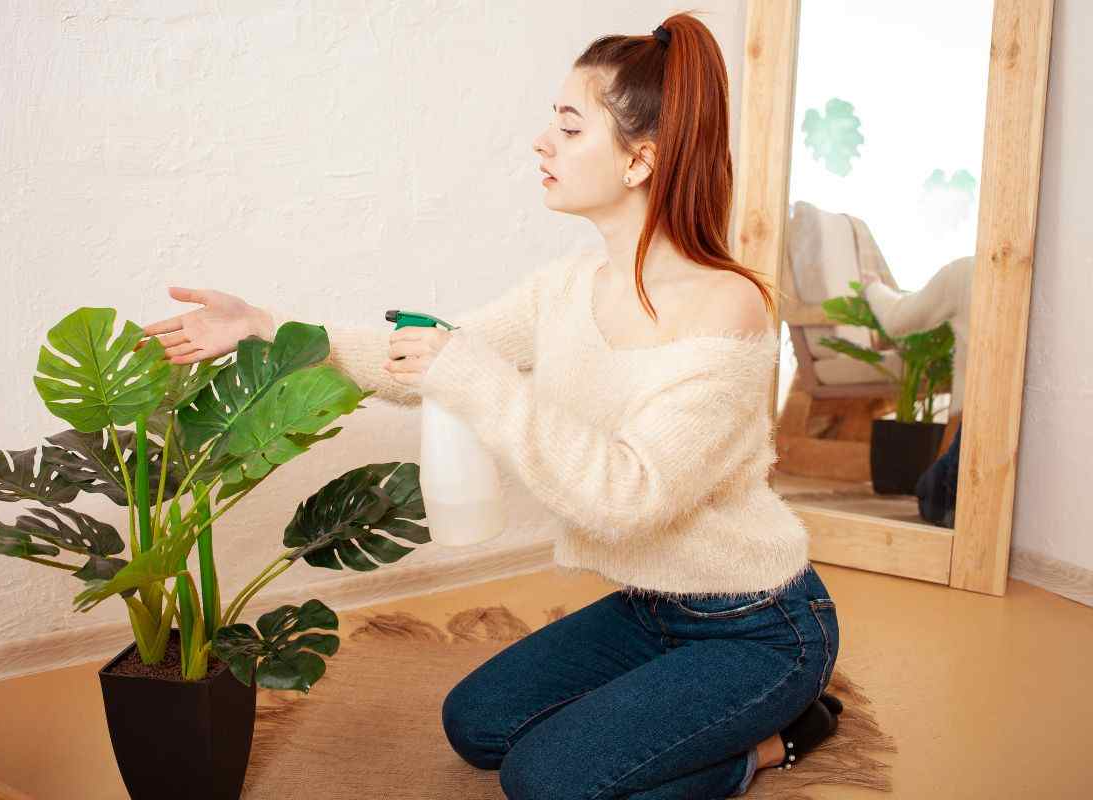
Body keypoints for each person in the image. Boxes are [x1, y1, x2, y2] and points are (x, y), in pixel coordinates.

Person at [140, 13, 841, 798]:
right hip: (652, 610)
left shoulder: (729, 309)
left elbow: (629, 497)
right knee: (476, 725)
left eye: (569, 129)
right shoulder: (569, 286)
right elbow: (429, 362)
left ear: (641, 159)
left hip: (755, 627)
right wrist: (265, 328)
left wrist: (473, 376)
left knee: (543, 782)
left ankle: (772, 740)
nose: (542, 143)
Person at [860, 255, 973, 528]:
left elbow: (896, 320)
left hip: (973, 430)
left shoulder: (965, 272)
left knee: (932, 495)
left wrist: (872, 287)